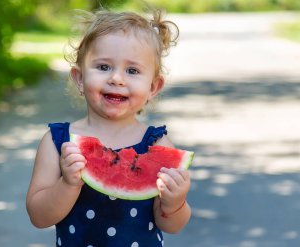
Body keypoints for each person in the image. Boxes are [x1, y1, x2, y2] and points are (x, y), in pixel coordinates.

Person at [26, 7, 191, 247]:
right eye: (103, 67)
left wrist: (175, 202)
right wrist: (67, 185)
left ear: (153, 88)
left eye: (132, 70)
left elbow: (173, 225)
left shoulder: (157, 144)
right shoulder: (57, 142)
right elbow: (38, 217)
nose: (117, 78)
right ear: (79, 78)